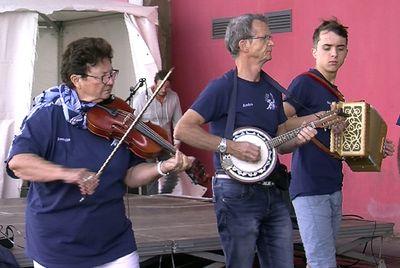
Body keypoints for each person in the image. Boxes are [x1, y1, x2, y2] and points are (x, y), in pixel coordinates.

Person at [5, 37, 193, 268]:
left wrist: (162, 167)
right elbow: (19, 162)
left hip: (114, 242)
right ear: (77, 80)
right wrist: (70, 174)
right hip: (58, 245)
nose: (111, 81)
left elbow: (130, 174)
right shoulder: (48, 114)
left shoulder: (118, 113)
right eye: (102, 77)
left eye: (111, 73)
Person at [174, 14, 317, 268]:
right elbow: (183, 129)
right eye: (265, 37)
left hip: (273, 190)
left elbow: (278, 142)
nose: (272, 42)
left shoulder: (272, 89)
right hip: (235, 193)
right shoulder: (222, 87)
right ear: (244, 44)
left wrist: (298, 140)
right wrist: (230, 146)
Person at [283, 19, 395, 268]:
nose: (334, 53)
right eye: (326, 47)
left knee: (323, 261)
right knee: (322, 262)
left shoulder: (335, 94)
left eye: (340, 48)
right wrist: (319, 118)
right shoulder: (305, 82)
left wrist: (377, 148)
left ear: (346, 52)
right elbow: (280, 123)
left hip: (333, 186)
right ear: (314, 51)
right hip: (309, 187)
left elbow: (342, 144)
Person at [131, 70, 184, 194]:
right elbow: (134, 123)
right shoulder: (141, 98)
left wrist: (177, 143)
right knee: (151, 173)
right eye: (162, 86)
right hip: (147, 143)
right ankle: (152, 200)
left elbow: (178, 121)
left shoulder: (173, 97)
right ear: (154, 84)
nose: (164, 90)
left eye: (167, 87)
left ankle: (164, 195)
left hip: (165, 141)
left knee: (173, 170)